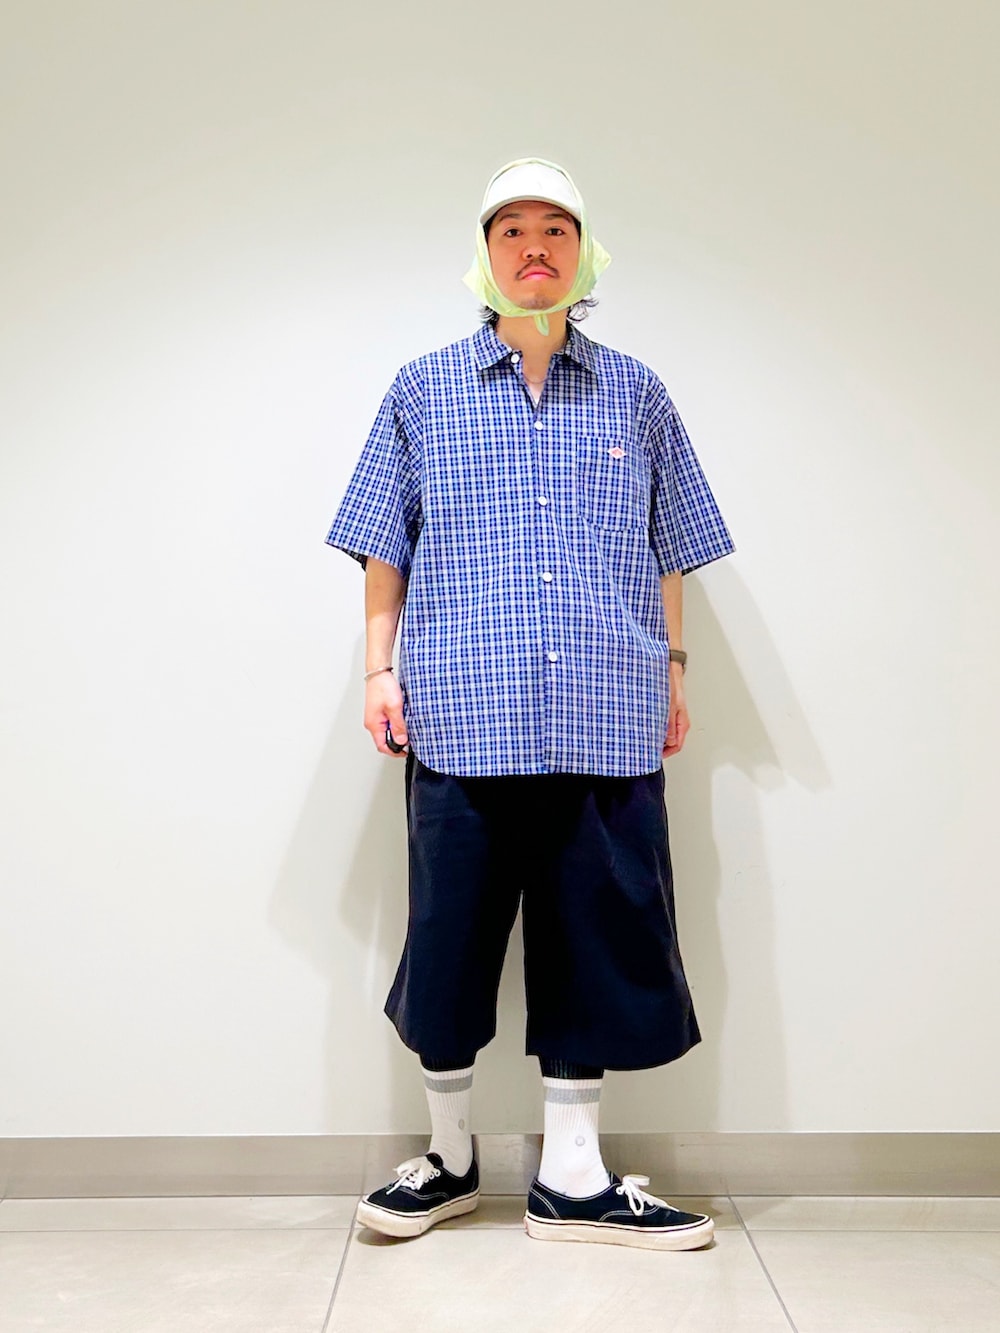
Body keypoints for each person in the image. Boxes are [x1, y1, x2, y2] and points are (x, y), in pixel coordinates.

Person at [325, 158, 734, 1250]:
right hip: (462, 709)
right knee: (448, 937)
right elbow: (382, 544)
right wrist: (378, 672)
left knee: (598, 934)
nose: (535, 246)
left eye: (557, 227)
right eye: (512, 229)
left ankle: (573, 1175)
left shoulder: (637, 393)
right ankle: (449, 1157)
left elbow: (671, 548)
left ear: (585, 253)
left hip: (607, 709)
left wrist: (673, 668)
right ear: (485, 255)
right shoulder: (422, 390)